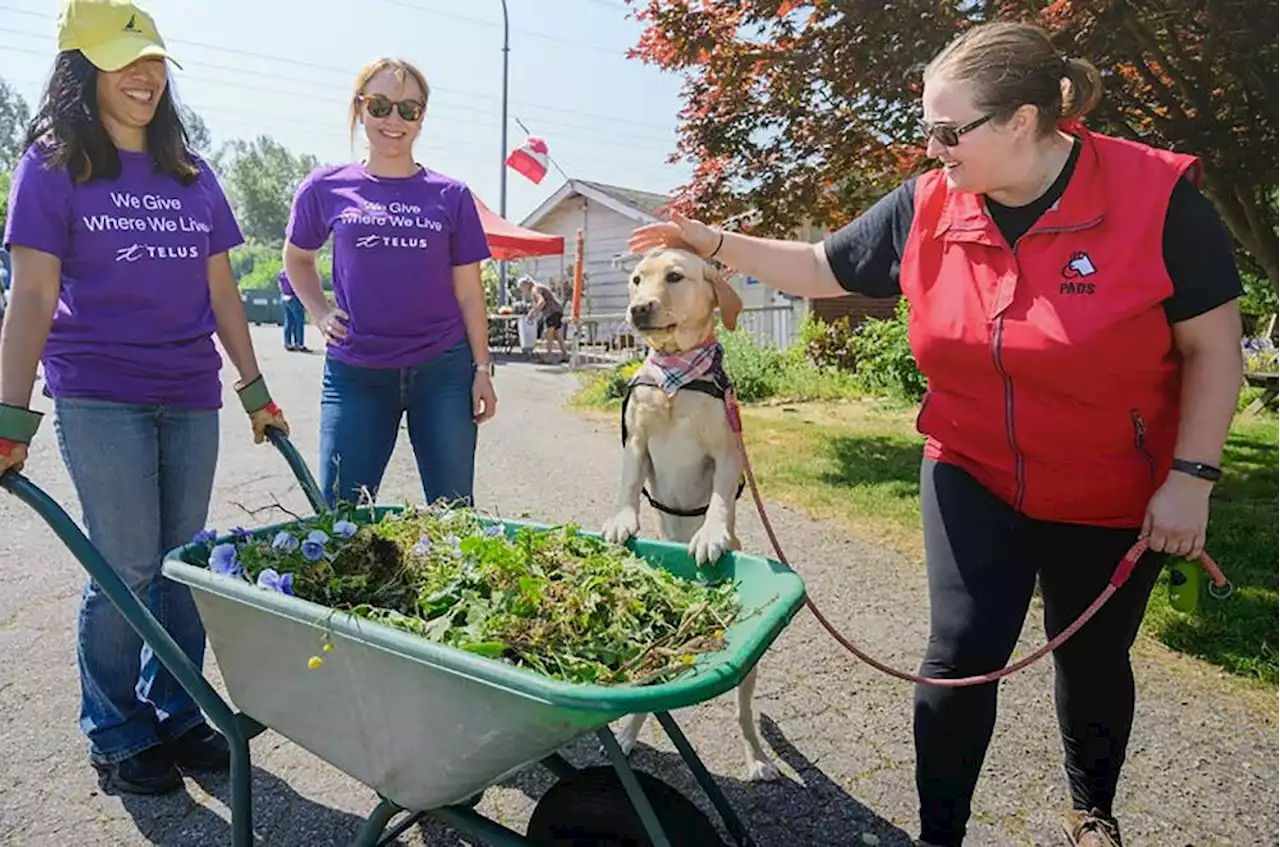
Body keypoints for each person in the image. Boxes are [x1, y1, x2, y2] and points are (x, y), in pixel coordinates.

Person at [629, 21, 1244, 847]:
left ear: (1023, 121)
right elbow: (821, 267)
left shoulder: (1158, 200)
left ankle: (1091, 811)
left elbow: (1213, 346)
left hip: (1111, 481)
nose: (934, 148)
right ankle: (939, 835)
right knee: (955, 660)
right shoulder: (929, 201)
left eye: (950, 132)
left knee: (1092, 660)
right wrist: (707, 241)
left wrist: (1191, 476)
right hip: (971, 466)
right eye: (928, 128)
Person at [0, 0, 289, 796]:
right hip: (101, 392)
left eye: (155, 60)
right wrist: (10, 418)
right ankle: (116, 727)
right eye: (125, 59)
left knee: (183, 561)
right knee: (125, 566)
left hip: (189, 391)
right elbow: (30, 297)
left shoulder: (189, 172)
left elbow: (225, 292)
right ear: (80, 68)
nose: (146, 76)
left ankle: (178, 706)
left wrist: (257, 391)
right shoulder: (53, 166)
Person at [282, 57, 496, 511]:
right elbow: (298, 258)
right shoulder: (326, 186)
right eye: (379, 106)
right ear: (359, 110)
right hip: (356, 373)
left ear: (422, 117)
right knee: (340, 515)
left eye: (408, 109)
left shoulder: (451, 195)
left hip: (443, 372)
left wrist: (481, 370)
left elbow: (469, 292)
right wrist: (320, 313)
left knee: (454, 515)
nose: (393, 120)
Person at [518, 275, 569, 362]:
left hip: (551, 311)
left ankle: (548, 356)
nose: (521, 290)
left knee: (548, 332)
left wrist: (533, 312)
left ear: (526, 285)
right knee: (557, 334)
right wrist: (534, 310)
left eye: (521, 287)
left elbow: (542, 302)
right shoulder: (537, 287)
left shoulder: (535, 289)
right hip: (557, 309)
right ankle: (565, 355)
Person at [277, 268, 308, 352]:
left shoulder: (282, 272)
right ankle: (300, 344)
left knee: (288, 321)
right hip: (294, 298)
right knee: (299, 321)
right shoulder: (295, 270)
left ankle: (288, 343)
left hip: (285, 297)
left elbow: (279, 285)